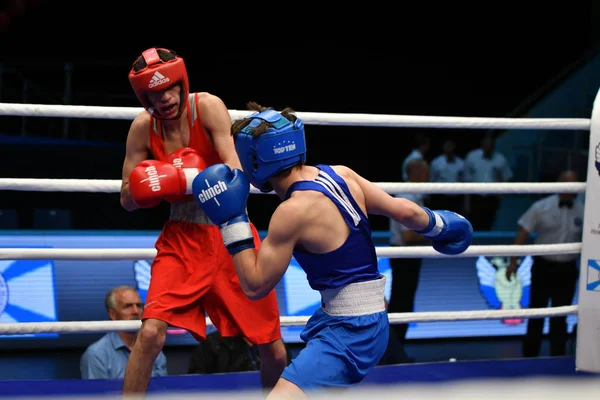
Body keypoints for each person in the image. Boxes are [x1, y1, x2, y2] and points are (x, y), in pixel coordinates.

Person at [192, 102, 473, 398]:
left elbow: (254, 285)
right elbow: (407, 212)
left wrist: (232, 222)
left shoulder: (291, 212)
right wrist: (441, 225)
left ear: (254, 160)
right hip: (359, 318)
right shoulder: (341, 174)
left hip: (351, 331)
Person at [119, 48, 287, 394]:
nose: (164, 99)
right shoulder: (141, 128)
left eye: (169, 89)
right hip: (181, 238)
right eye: (154, 93)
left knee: (273, 348)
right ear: (144, 96)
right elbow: (126, 199)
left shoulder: (207, 107)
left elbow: (237, 174)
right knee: (149, 333)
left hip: (230, 232)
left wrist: (192, 180)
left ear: (182, 83)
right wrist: (154, 182)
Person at [506, 170, 583, 358]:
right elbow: (522, 234)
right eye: (566, 184)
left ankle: (559, 360)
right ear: (558, 184)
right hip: (543, 267)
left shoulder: (585, 210)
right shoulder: (541, 207)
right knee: (536, 315)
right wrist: (513, 262)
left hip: (568, 269)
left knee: (560, 316)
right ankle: (529, 359)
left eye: (573, 185)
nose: (569, 189)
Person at [387, 158, 431, 364]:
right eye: (425, 172)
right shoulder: (407, 197)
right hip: (404, 255)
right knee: (400, 305)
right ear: (417, 174)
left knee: (404, 304)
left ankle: (397, 353)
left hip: (409, 256)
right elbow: (409, 236)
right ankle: (394, 355)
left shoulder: (415, 196)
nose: (429, 177)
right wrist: (436, 233)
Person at [80, 286, 167, 379]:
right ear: (112, 314)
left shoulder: (153, 348)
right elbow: (97, 393)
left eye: (139, 305)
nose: (136, 311)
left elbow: (163, 390)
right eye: (128, 306)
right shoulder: (96, 354)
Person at [464, 132, 513, 230]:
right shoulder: (472, 157)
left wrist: (500, 193)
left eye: (490, 146)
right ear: (482, 145)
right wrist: (467, 202)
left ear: (494, 147)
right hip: (475, 196)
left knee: (489, 224)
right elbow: (466, 180)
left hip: (492, 198)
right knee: (473, 224)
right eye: (486, 145)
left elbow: (507, 177)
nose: (488, 148)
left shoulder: (500, 159)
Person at [429, 138, 465, 214]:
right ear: (443, 147)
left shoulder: (460, 163)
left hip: (456, 198)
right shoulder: (436, 162)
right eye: (447, 146)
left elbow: (463, 181)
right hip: (441, 197)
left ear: (454, 147)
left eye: (450, 146)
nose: (449, 148)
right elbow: (432, 180)